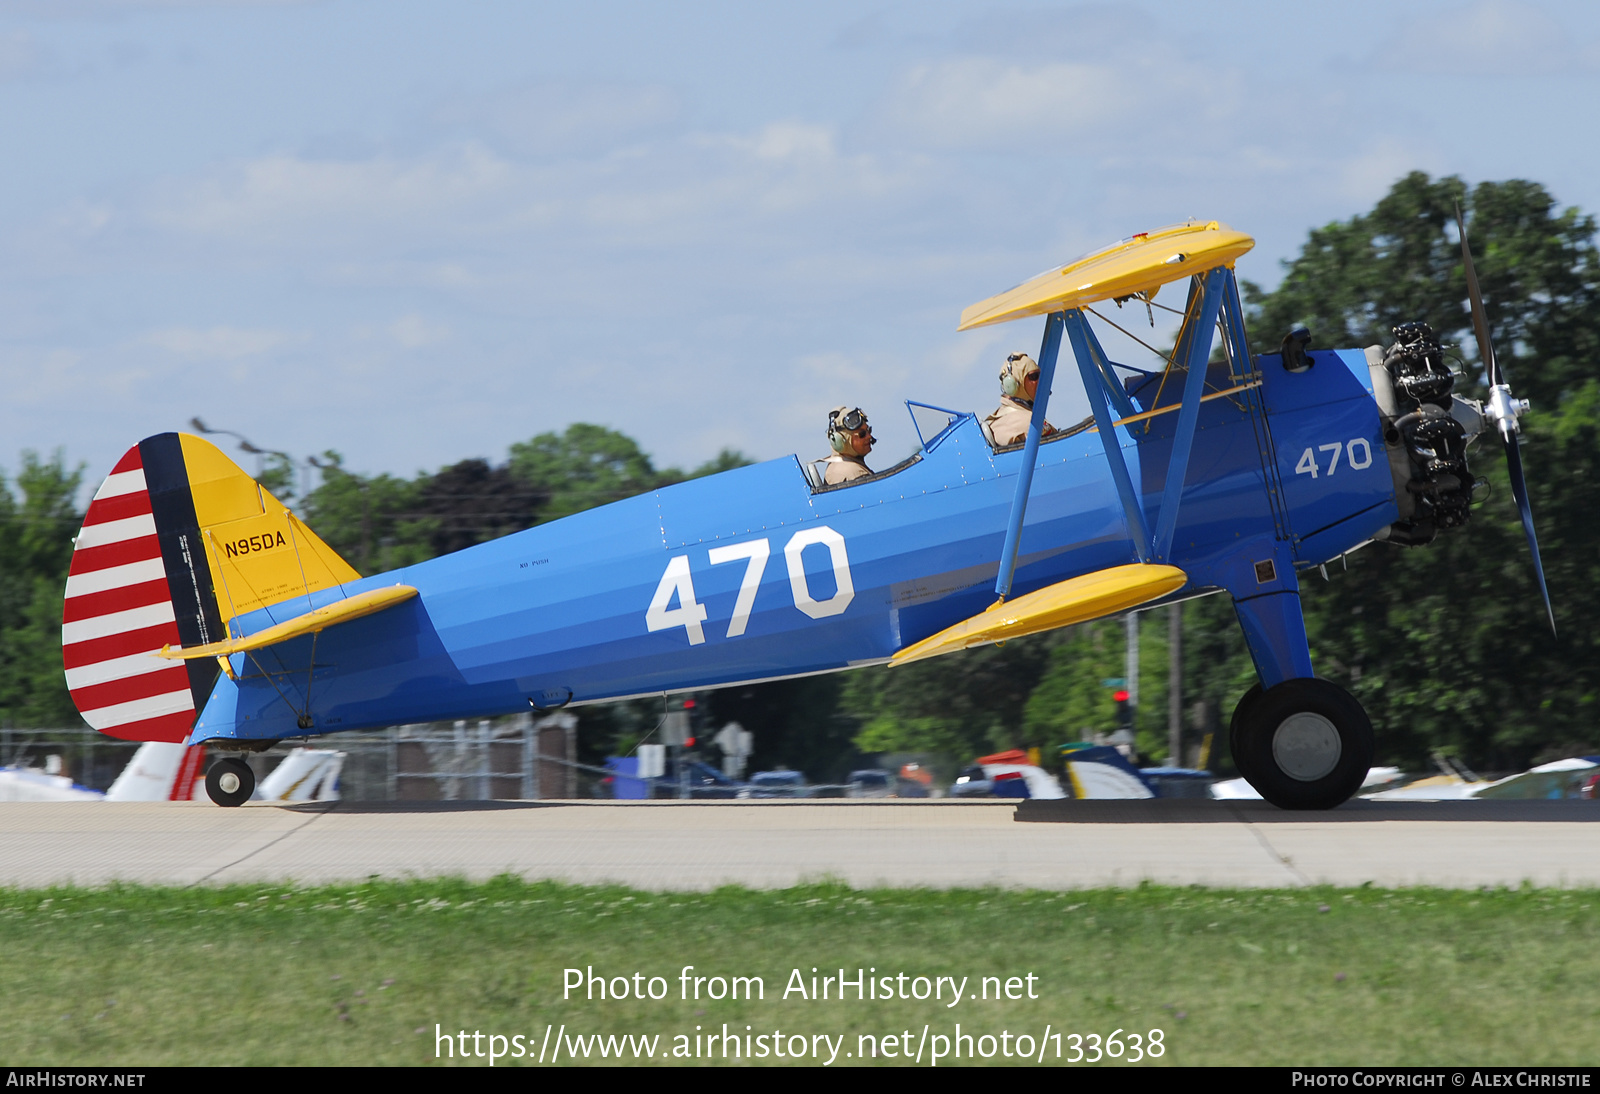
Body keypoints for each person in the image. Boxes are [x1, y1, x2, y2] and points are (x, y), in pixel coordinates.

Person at [983, 351, 1054, 448]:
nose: (1040, 381)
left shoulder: (1000, 418)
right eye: (1034, 376)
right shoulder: (1030, 423)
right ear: (1012, 385)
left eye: (1040, 376)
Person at [821, 406, 875, 484]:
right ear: (840, 441)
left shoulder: (851, 466)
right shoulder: (853, 475)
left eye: (868, 430)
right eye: (862, 434)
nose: (869, 436)